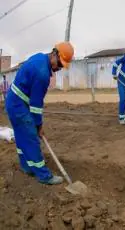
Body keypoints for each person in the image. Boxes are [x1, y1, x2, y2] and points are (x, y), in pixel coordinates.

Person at [5, 42, 74, 185]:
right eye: (60, 64)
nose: (59, 69)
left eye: (62, 67)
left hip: (13, 100)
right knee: (31, 137)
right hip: (18, 105)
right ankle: (43, 175)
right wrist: (38, 126)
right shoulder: (42, 74)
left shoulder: (40, 57)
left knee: (21, 135)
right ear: (54, 54)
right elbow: (36, 106)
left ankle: (27, 166)